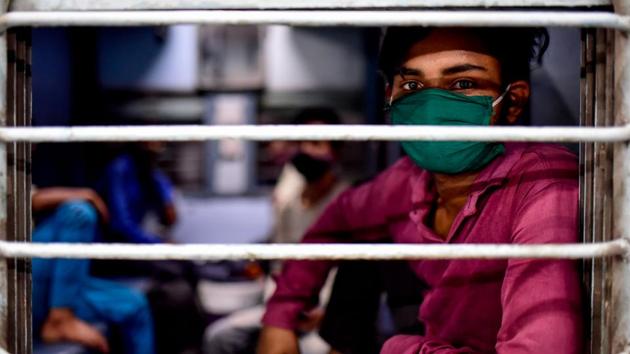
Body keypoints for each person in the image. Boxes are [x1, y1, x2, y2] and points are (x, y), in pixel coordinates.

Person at [258, 27, 582, 354]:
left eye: (463, 84)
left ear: (512, 102)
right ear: (391, 97)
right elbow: (335, 222)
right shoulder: (408, 181)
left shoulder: (543, 183)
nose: (432, 106)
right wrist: (280, 317)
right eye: (413, 86)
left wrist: (404, 349)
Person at [203, 108, 350, 354]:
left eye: (315, 143)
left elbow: (352, 276)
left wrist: (327, 313)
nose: (305, 150)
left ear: (334, 151)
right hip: (282, 304)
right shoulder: (290, 195)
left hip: (325, 312)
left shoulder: (348, 201)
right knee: (219, 338)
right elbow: (280, 259)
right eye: (299, 142)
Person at [94, 142, 206, 354]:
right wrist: (158, 245)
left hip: (136, 246)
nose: (158, 150)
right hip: (112, 250)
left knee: (187, 267)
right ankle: (184, 344)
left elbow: (169, 216)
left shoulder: (148, 172)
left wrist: (164, 192)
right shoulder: (120, 168)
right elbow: (121, 224)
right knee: (175, 274)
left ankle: (192, 341)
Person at [32, 187, 155, 354]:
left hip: (52, 289)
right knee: (78, 213)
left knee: (134, 305)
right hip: (17, 285)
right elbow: (24, 201)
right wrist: (87, 195)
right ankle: (61, 318)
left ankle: (61, 311)